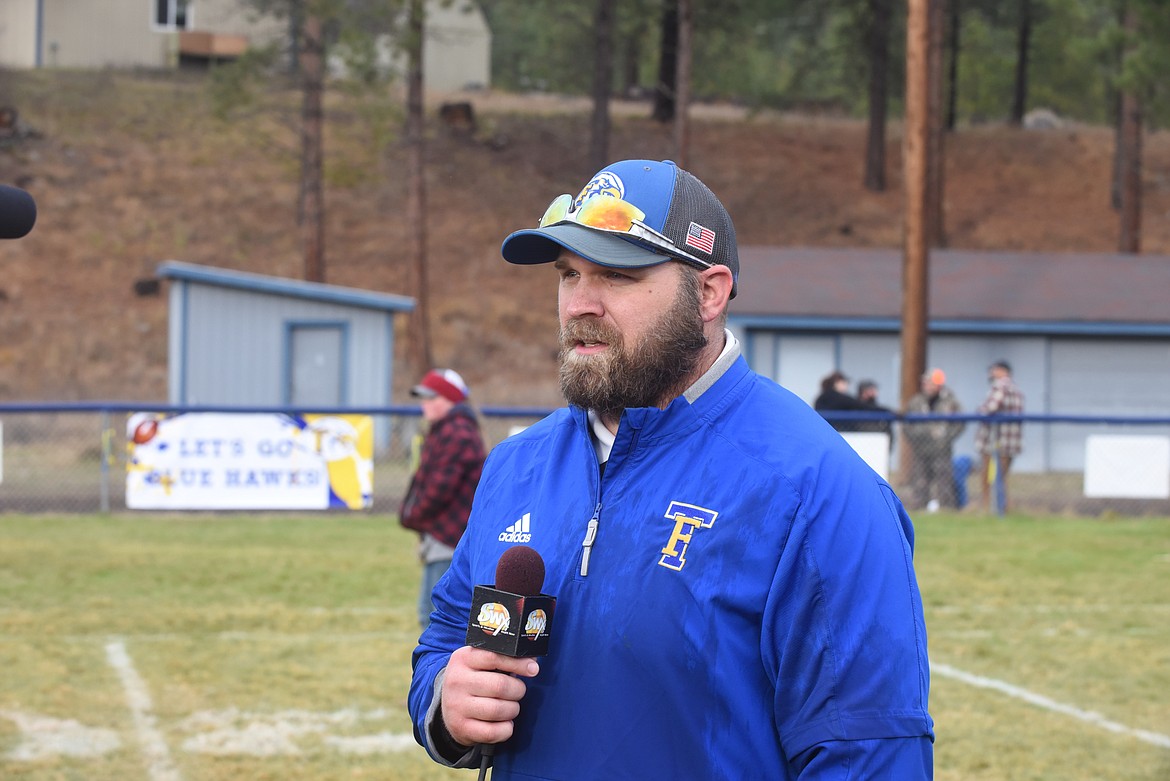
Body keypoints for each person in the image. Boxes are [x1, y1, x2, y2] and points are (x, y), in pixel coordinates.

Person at [408, 159, 933, 779]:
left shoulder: (816, 488)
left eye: (616, 276)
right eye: (569, 274)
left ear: (708, 293)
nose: (581, 303)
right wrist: (447, 704)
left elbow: (868, 753)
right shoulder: (516, 465)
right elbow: (445, 636)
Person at [399, 368, 486, 630]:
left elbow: (439, 488)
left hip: (451, 538)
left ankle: (442, 669)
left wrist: (412, 516)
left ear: (449, 399)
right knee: (431, 613)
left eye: (431, 397)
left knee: (437, 616)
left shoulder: (456, 432)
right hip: (442, 536)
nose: (424, 404)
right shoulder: (444, 429)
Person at [904, 368, 966, 512]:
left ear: (939, 385)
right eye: (925, 383)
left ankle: (946, 508)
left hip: (941, 448)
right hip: (921, 448)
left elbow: (960, 423)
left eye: (930, 383)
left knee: (944, 480)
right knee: (920, 480)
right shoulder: (916, 402)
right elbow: (907, 424)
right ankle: (918, 507)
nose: (927, 386)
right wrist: (915, 438)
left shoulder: (950, 402)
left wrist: (946, 438)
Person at [975, 359, 1024, 513]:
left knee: (988, 477)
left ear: (1003, 371)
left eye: (994, 370)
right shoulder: (1016, 389)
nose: (991, 373)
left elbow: (990, 408)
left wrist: (979, 410)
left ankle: (987, 507)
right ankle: (1004, 508)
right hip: (1012, 441)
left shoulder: (1000, 386)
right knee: (1002, 477)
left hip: (995, 441)